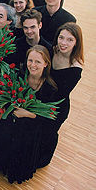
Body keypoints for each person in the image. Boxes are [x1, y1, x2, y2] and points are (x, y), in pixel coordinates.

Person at [0, 45, 58, 184]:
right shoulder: (19, 75)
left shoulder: (50, 88)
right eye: (30, 60)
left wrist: (27, 114)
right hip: (14, 120)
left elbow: (49, 119)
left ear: (46, 63)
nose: (33, 65)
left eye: (37, 62)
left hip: (31, 126)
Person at [39, 22, 84, 167]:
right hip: (42, 98)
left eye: (70, 40)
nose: (63, 43)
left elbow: (59, 94)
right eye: (61, 38)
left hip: (57, 106)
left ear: (76, 42)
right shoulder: (52, 51)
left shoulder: (75, 69)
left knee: (48, 133)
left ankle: (43, 160)